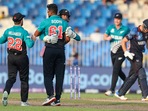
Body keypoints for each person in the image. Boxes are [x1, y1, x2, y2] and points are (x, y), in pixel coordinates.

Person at [32, 4, 78, 106]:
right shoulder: (64, 22)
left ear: (50, 11)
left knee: (48, 75)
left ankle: (50, 96)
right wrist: (60, 44)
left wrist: (45, 38)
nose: (47, 12)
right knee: (59, 76)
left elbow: (36, 34)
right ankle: (57, 99)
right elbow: (67, 39)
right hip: (60, 50)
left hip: (49, 49)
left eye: (48, 11)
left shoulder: (46, 21)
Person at [0, 12, 35, 106]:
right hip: (21, 57)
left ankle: (6, 91)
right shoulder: (24, 32)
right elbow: (30, 45)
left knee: (11, 78)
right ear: (21, 21)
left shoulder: (8, 31)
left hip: (11, 57)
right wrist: (33, 39)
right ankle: (23, 101)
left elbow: (1, 41)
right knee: (24, 79)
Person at [114, 19, 148, 101]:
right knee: (141, 72)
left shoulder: (146, 33)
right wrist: (126, 52)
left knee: (134, 75)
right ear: (145, 27)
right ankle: (145, 95)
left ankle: (120, 93)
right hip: (133, 55)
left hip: (140, 55)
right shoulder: (134, 31)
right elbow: (123, 41)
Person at [104, 13, 130, 96]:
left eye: (118, 19)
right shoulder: (110, 28)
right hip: (113, 51)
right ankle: (127, 83)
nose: (116, 20)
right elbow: (104, 36)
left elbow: (132, 37)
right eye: (115, 18)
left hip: (121, 51)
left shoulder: (125, 29)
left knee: (115, 69)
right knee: (118, 71)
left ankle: (112, 90)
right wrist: (107, 38)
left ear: (121, 20)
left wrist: (130, 45)